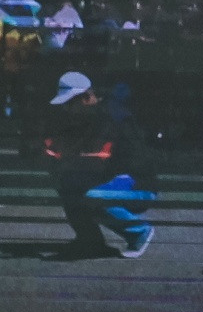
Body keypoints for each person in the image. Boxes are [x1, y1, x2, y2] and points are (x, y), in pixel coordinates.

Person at [38, 70, 154, 258]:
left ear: (85, 97)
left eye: (69, 103)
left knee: (90, 195)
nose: (67, 109)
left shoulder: (111, 117)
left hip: (138, 183)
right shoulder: (88, 118)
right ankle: (90, 241)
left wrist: (66, 161)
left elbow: (97, 160)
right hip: (113, 178)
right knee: (69, 186)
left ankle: (138, 231)